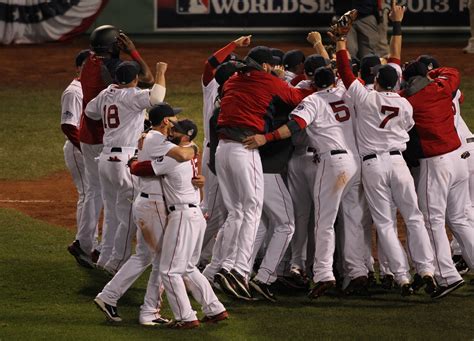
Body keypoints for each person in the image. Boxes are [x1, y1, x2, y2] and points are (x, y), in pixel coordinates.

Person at [331, 3, 438, 297]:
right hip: (398, 163)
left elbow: (344, 71)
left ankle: (402, 277)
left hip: (372, 166)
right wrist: (397, 25)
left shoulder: (365, 99)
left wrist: (341, 41)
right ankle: (426, 270)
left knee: (385, 223)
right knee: (413, 217)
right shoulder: (404, 103)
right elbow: (394, 61)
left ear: (376, 80)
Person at [206, 45, 312, 300]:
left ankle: (219, 267)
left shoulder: (232, 80)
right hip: (245, 149)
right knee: (251, 210)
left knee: (237, 213)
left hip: (222, 151)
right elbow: (297, 98)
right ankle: (239, 270)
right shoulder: (267, 80)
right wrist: (279, 78)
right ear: (265, 66)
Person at [94, 104, 197, 326]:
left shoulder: (151, 137)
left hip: (147, 202)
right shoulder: (156, 139)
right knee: (160, 259)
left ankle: (111, 297)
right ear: (164, 121)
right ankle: (148, 311)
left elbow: (141, 164)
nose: (175, 120)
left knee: (146, 256)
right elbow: (182, 153)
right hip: (154, 205)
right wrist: (194, 149)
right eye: (172, 117)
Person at [132, 119, 228, 329]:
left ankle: (186, 317)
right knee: (188, 268)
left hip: (183, 216)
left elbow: (142, 169)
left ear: (185, 137)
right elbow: (189, 148)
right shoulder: (188, 149)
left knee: (169, 271)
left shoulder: (174, 156)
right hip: (194, 214)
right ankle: (215, 309)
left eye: (176, 131)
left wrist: (132, 162)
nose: (171, 131)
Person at [71, 25, 154, 267]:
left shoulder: (88, 62)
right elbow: (147, 80)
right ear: (115, 46)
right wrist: (133, 51)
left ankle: (89, 245)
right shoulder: (114, 67)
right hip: (108, 140)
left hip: (88, 136)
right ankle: (111, 256)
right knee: (119, 204)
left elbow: (89, 110)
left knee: (95, 193)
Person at [84, 61, 166, 274]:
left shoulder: (106, 93)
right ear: (135, 79)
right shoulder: (132, 95)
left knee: (111, 213)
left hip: (105, 159)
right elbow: (157, 98)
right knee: (128, 215)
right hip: (124, 160)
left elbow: (90, 112)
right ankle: (116, 262)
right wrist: (160, 72)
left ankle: (104, 258)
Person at [401, 60, 474, 298]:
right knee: (460, 219)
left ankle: (447, 276)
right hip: (459, 159)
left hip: (437, 164)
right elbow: (453, 70)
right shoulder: (442, 88)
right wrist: (431, 73)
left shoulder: (408, 101)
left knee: (432, 221)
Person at [199, 36, 251, 268]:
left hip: (222, 153)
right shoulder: (211, 86)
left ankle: (202, 257)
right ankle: (189, 253)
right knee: (214, 211)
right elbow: (209, 64)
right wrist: (234, 44)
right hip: (215, 154)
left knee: (222, 211)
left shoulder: (237, 90)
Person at [62, 49, 96, 268]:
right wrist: (85, 149)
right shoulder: (73, 91)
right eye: (86, 66)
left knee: (93, 194)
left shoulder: (91, 87)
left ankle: (88, 243)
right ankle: (83, 244)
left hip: (87, 148)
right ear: (78, 68)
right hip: (78, 149)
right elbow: (68, 126)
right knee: (87, 194)